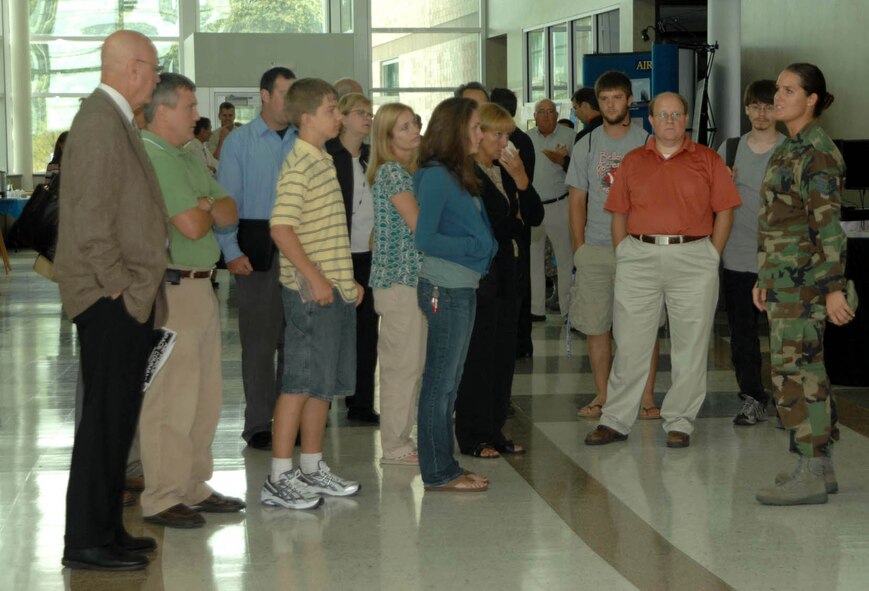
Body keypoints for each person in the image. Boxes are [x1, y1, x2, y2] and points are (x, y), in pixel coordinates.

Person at [55, 29, 165, 572]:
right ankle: (84, 541)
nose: (159, 78)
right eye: (157, 68)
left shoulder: (115, 118)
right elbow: (90, 219)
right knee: (103, 422)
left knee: (118, 419)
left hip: (123, 296)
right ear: (135, 68)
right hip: (110, 298)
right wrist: (120, 285)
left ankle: (107, 530)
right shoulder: (100, 120)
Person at [584, 91, 740, 449]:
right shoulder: (633, 161)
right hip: (638, 255)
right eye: (663, 115)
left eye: (677, 114)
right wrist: (623, 250)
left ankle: (680, 421)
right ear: (650, 121)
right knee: (630, 341)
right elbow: (618, 212)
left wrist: (712, 255)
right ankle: (616, 419)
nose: (670, 121)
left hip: (693, 256)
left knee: (691, 343)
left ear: (686, 119)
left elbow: (726, 209)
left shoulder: (709, 160)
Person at [138, 73, 245, 528]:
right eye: (188, 107)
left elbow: (228, 210)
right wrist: (205, 206)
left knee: (205, 396)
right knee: (170, 398)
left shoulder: (186, 153)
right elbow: (194, 226)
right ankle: (161, 495)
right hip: (173, 287)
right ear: (162, 111)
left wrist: (204, 204)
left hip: (203, 284)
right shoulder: (151, 154)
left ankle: (193, 484)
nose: (197, 115)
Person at [261, 78, 364, 510]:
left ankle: (312, 466)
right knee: (300, 382)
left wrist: (344, 279)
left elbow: (326, 232)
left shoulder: (322, 159)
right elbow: (281, 228)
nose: (338, 116)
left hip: (332, 291)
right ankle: (278, 477)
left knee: (322, 385)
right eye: (330, 110)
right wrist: (317, 278)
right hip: (308, 295)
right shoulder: (299, 163)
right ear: (307, 119)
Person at [753, 63, 851, 506]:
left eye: (788, 90)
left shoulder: (818, 153)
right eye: (777, 89)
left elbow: (828, 226)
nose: (778, 96)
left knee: (797, 375)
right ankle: (821, 465)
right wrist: (764, 276)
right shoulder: (789, 147)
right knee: (804, 371)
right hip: (783, 282)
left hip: (806, 285)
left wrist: (833, 287)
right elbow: (778, 221)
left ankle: (810, 468)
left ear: (811, 99)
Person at [566, 71, 660, 421]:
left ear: (629, 101)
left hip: (638, 250)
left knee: (644, 327)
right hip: (597, 248)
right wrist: (580, 248)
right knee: (597, 325)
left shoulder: (646, 143)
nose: (610, 105)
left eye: (616, 98)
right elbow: (577, 200)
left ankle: (647, 397)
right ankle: (603, 396)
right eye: (604, 99)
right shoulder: (586, 145)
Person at [413, 97, 497, 492]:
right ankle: (438, 471)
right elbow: (425, 237)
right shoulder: (435, 176)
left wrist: (482, 246)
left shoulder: (457, 172)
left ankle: (444, 465)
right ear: (456, 129)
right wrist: (476, 247)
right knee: (440, 383)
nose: (481, 134)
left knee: (451, 381)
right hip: (444, 288)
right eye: (477, 126)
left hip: (460, 285)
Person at [455, 102, 543, 458]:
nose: (506, 142)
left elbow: (533, 216)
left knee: (503, 358)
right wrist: (516, 219)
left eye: (508, 134)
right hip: (481, 279)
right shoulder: (465, 174)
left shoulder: (505, 170)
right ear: (478, 135)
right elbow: (495, 226)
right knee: (478, 359)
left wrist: (522, 180)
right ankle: (473, 434)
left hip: (509, 277)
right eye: (499, 134)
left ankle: (494, 430)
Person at [216, 67, 297, 450]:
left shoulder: (305, 140)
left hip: (302, 254)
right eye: (285, 93)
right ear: (265, 95)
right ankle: (259, 423)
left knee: (296, 341)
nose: (292, 101)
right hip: (257, 254)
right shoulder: (240, 143)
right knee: (260, 343)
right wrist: (231, 251)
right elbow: (226, 202)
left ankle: (290, 419)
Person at [717, 80, 785, 426]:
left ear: (779, 110)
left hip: (782, 261)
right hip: (739, 258)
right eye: (755, 107)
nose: (761, 113)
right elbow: (710, 202)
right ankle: (753, 397)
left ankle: (790, 403)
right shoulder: (729, 150)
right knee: (743, 334)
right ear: (746, 110)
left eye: (768, 106)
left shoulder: (791, 151)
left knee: (786, 336)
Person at [368, 102, 424, 465]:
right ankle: (394, 444)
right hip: (398, 280)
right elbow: (419, 222)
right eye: (404, 127)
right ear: (387, 138)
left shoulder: (409, 171)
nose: (414, 130)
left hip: (411, 281)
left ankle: (402, 438)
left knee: (412, 363)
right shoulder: (391, 173)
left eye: (415, 123)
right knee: (401, 366)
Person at [326, 93, 380, 423]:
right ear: (342, 118)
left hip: (368, 254)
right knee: (331, 331)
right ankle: (321, 401)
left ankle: (360, 404)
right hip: (334, 254)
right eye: (360, 112)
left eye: (370, 113)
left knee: (366, 332)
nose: (368, 118)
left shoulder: (373, 158)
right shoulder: (327, 156)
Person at [490, 87, 537, 360]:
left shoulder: (513, 142)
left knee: (517, 280)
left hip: (516, 214)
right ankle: (521, 341)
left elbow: (523, 183)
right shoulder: (524, 139)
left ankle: (519, 341)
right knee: (520, 280)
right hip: (517, 215)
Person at [528, 98, 575, 320]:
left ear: (557, 115)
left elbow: (578, 170)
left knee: (565, 259)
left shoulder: (570, 137)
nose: (546, 116)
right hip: (534, 207)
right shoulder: (526, 139)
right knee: (533, 260)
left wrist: (563, 160)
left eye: (550, 111)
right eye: (541, 112)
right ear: (534, 117)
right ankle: (536, 309)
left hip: (559, 203)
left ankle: (568, 309)